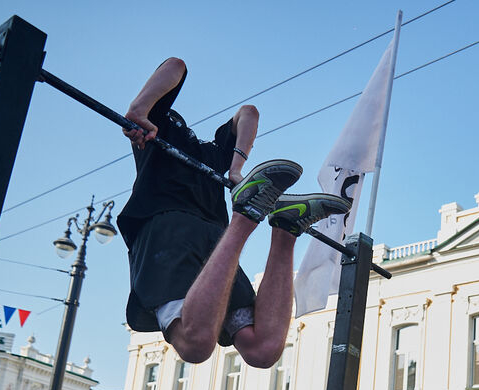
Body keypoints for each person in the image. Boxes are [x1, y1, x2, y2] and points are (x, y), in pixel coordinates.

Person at [118, 57, 350, 368]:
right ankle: (285, 231)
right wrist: (236, 168)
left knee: (196, 344)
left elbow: (176, 66)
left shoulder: (165, 130)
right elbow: (247, 112)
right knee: (262, 350)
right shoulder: (202, 149)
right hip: (216, 249)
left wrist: (139, 110)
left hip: (170, 233)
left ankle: (246, 216)